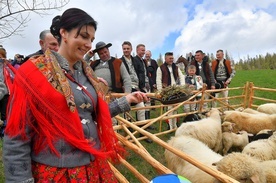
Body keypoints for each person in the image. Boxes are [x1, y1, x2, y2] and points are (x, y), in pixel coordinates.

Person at [3, 8, 149, 182]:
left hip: (93, 166)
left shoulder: (88, 74)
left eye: (91, 39)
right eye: (83, 36)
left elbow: (90, 116)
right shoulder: (33, 73)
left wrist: (126, 100)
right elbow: (17, 136)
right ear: (64, 33)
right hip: (56, 173)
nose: (89, 44)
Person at [120, 41, 153, 142]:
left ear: (131, 49)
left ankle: (142, 131)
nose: (126, 50)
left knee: (141, 107)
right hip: (126, 87)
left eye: (127, 48)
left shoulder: (135, 60)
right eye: (124, 48)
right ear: (122, 49)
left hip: (137, 87)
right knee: (127, 109)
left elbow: (140, 73)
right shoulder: (119, 61)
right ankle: (129, 131)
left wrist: (141, 86)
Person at [156, 52, 185, 130]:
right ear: (165, 59)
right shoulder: (160, 68)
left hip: (175, 90)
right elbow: (158, 80)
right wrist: (160, 91)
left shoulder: (176, 67)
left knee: (175, 108)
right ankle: (171, 127)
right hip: (166, 91)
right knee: (169, 109)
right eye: (170, 58)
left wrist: (182, 87)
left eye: (172, 58)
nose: (172, 60)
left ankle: (174, 126)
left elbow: (182, 76)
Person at [0, 46, 16, 138]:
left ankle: (3, 132)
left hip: (7, 93)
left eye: (1, 56)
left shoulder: (7, 68)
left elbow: (16, 75)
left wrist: (8, 64)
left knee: (4, 114)